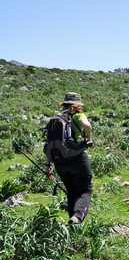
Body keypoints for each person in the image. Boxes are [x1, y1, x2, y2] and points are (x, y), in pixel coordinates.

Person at [46, 92, 94, 224]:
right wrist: (88, 139)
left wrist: (48, 165)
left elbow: (50, 143)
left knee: (72, 192)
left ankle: (72, 224)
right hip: (77, 158)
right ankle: (78, 217)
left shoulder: (56, 118)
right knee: (85, 191)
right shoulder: (78, 114)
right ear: (77, 104)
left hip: (59, 162)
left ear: (64, 103)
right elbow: (87, 126)